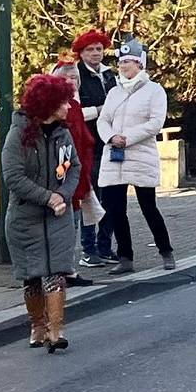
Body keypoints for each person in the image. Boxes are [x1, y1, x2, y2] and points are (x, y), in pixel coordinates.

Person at [4, 73, 85, 352]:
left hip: (58, 216)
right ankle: (37, 325)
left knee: (57, 272)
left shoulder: (63, 133)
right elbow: (13, 177)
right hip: (26, 219)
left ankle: (56, 329)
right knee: (33, 274)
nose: (68, 107)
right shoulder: (18, 134)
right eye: (63, 102)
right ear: (48, 105)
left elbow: (73, 167)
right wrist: (47, 197)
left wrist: (62, 196)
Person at [95, 42, 173, 274]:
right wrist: (110, 137)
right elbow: (103, 120)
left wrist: (127, 138)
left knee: (149, 206)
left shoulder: (154, 90)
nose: (122, 67)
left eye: (127, 62)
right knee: (115, 209)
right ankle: (125, 256)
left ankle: (166, 251)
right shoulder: (114, 92)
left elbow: (155, 123)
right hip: (114, 155)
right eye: (120, 63)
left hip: (140, 154)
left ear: (139, 64)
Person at [68, 30, 118, 268]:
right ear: (81, 53)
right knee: (91, 198)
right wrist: (100, 109)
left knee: (111, 197)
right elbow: (74, 112)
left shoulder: (109, 75)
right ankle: (89, 249)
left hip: (109, 143)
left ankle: (105, 246)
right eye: (90, 50)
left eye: (99, 49)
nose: (96, 53)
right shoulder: (76, 76)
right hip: (89, 145)